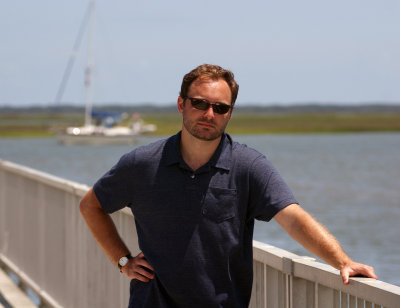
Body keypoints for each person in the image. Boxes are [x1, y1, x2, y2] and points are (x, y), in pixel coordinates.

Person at [80, 64, 377, 307]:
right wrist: (123, 261)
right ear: (182, 104)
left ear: (230, 114)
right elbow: (91, 204)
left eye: (220, 108)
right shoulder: (142, 164)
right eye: (199, 104)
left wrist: (343, 261)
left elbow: (293, 218)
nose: (209, 114)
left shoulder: (248, 166)